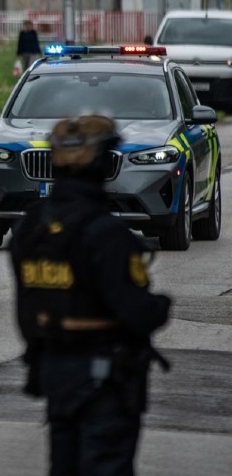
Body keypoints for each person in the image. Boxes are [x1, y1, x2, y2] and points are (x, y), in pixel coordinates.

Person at [11, 114, 172, 476]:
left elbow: (26, 306)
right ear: (102, 162)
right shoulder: (105, 233)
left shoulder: (31, 226)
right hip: (105, 379)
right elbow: (135, 311)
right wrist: (160, 306)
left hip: (55, 371)